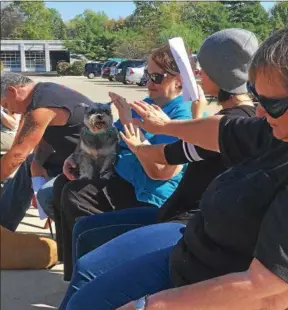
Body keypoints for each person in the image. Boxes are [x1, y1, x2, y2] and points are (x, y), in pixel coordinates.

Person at [20, 16, 288, 310]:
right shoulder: (275, 129)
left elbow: (268, 291)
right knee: (83, 309)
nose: (262, 111)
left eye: (274, 104)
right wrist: (164, 126)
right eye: (256, 96)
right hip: (197, 257)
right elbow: (222, 130)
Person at [70, 28, 258, 264]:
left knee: (88, 261)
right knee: (83, 227)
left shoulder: (225, 124)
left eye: (203, 69)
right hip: (180, 216)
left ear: (219, 73)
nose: (198, 74)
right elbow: (183, 146)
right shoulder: (244, 119)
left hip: (188, 226)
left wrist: (141, 135)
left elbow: (163, 163)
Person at [52, 44, 193, 281]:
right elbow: (108, 137)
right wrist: (77, 155)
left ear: (178, 80)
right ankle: (74, 271)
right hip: (122, 180)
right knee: (60, 185)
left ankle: (100, 270)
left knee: (76, 194)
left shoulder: (180, 116)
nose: (149, 82)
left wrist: (129, 123)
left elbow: (160, 173)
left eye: (157, 77)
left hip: (147, 195)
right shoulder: (147, 104)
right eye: (148, 75)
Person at [0, 73, 94, 230]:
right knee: (29, 165)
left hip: (92, 165)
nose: (10, 111)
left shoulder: (41, 107)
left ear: (12, 91)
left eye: (5, 104)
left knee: (47, 196)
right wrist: (37, 162)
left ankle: (76, 237)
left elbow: (17, 154)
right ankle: (3, 226)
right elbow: (46, 138)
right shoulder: (45, 92)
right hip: (73, 157)